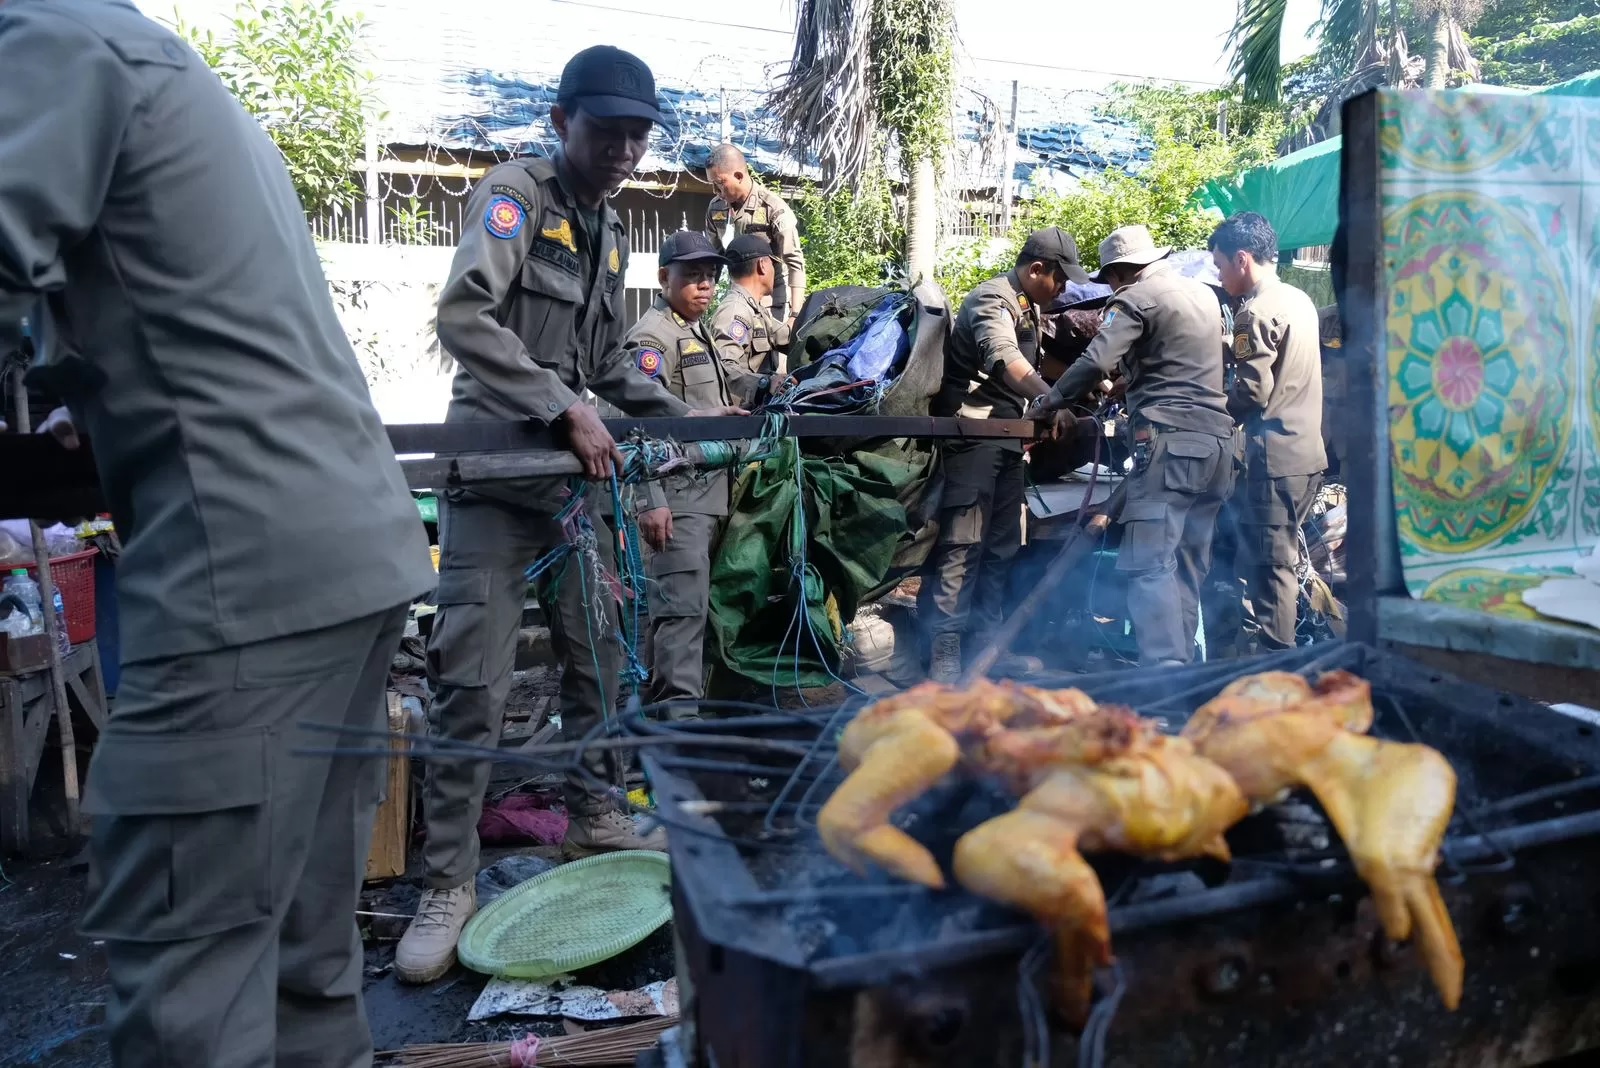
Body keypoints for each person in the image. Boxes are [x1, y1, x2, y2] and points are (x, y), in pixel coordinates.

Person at [0, 2, 437, 1064]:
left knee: (191, 996)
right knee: (299, 966)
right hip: (346, 556)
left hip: (243, 578)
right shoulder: (151, 60)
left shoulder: (43, 39)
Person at [395, 45, 745, 986]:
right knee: (473, 687)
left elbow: (609, 366)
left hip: (571, 492)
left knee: (600, 659)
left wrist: (694, 418)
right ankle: (448, 882)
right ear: (562, 122)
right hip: (495, 485)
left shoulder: (610, 229)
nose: (625, 151)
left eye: (638, 136)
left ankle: (596, 815)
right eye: (607, 132)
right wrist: (564, 406)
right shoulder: (516, 197)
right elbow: (464, 317)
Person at [1032, 225, 1236, 667]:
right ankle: (1186, 673)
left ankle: (1163, 675)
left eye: (1109, 279)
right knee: (1187, 565)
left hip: (1172, 446)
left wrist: (1047, 403)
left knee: (1148, 564)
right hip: (1219, 447)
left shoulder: (1135, 298)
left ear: (1118, 273)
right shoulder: (1204, 296)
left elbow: (1095, 361)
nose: (1109, 287)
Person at [919, 227, 1088, 682]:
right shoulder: (991, 299)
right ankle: (945, 653)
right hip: (973, 438)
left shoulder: (1029, 305)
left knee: (1000, 547)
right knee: (963, 545)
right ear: (1037, 269)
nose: (1063, 288)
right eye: (1059, 278)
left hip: (1007, 441)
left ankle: (985, 649)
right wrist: (1051, 399)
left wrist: (1086, 383)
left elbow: (1036, 364)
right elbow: (1007, 359)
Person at [622, 231, 780, 716]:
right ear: (663, 277)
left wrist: (769, 384)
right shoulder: (652, 338)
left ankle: (662, 721)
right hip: (676, 500)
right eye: (692, 276)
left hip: (707, 496)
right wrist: (651, 501)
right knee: (681, 614)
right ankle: (678, 726)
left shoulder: (696, 329)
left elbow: (721, 389)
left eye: (710, 276)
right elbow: (637, 423)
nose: (705, 285)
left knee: (683, 615)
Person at [1209, 212, 1326, 652]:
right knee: (1275, 557)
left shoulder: (1253, 312)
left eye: (1220, 265)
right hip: (1306, 455)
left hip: (1273, 460)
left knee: (1270, 567)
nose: (1220, 277)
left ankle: (1277, 663)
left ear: (1242, 259)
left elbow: (1252, 392)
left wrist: (1208, 407)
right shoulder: (1298, 299)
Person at [704, 144, 807, 323]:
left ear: (738, 176)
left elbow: (795, 263)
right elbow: (714, 257)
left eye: (719, 183)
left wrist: (795, 316)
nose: (715, 191)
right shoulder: (715, 208)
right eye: (711, 184)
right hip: (737, 302)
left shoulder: (773, 208)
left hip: (773, 304)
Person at [710, 234, 792, 375]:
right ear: (762, 265)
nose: (774, 271)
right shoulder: (735, 311)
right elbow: (726, 368)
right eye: (772, 264)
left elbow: (786, 337)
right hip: (751, 390)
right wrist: (766, 383)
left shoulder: (755, 309)